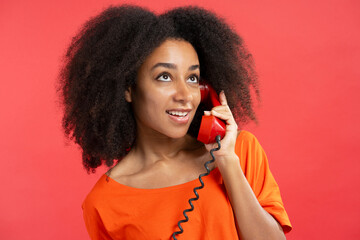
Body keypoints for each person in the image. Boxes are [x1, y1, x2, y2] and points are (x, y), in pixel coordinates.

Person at [58, 5, 292, 240]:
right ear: (128, 88)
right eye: (164, 76)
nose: (185, 95)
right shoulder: (104, 202)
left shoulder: (240, 150)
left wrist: (227, 162)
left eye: (192, 78)